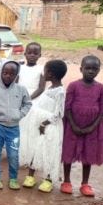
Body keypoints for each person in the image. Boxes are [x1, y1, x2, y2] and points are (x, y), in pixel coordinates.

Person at [61, 55, 103, 197]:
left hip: (93, 128)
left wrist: (92, 127)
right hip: (72, 125)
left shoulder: (101, 88)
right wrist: (74, 125)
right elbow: (67, 107)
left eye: (94, 69)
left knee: (89, 154)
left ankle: (85, 183)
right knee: (68, 151)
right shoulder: (73, 86)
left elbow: (102, 110)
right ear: (81, 69)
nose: (91, 71)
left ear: (99, 70)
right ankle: (67, 181)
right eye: (88, 68)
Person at [19, 60, 67, 193]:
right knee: (35, 149)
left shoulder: (60, 92)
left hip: (50, 127)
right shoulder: (50, 88)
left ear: (50, 74)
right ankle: (30, 177)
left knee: (49, 152)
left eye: (45, 71)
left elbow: (59, 113)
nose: (43, 73)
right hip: (39, 126)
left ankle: (48, 179)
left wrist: (44, 123)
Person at [0, 60, 32, 190]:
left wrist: (19, 114)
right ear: (0, 72)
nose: (8, 76)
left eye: (12, 74)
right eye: (5, 73)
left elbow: (28, 104)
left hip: (14, 129)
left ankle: (13, 179)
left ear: (16, 75)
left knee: (13, 154)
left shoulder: (21, 89)